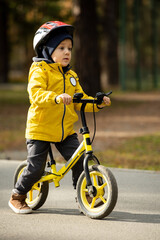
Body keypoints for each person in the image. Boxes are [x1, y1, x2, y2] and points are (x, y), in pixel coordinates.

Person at [8, 21, 111, 214]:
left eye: (69, 48)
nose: (67, 52)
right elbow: (36, 94)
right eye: (61, 47)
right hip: (40, 129)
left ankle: (86, 196)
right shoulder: (39, 70)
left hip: (64, 131)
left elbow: (79, 100)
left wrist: (97, 102)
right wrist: (55, 97)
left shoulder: (71, 75)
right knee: (37, 167)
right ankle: (18, 196)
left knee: (80, 162)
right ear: (47, 50)